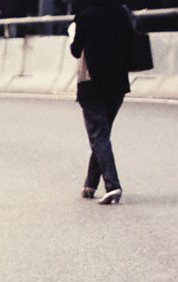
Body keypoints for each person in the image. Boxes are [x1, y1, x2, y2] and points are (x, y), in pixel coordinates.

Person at [69, 0, 134, 205]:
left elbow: (76, 50)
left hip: (92, 84)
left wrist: (73, 34)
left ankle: (112, 185)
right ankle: (90, 184)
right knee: (102, 135)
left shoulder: (84, 17)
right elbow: (131, 43)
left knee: (99, 135)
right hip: (117, 84)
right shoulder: (121, 13)